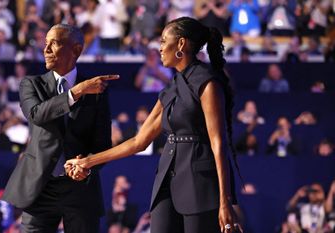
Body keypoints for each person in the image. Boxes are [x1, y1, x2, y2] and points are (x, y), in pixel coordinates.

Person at [66, 17, 242, 233]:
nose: (158, 49)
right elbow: (139, 141)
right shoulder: (170, 88)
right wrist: (88, 161)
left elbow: (218, 142)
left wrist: (226, 200)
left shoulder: (206, 82)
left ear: (181, 44)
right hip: (167, 179)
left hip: (200, 182)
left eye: (162, 41)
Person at [1, 24, 119, 233]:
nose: (45, 49)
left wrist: (87, 166)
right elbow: (37, 114)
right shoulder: (31, 84)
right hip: (40, 187)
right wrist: (77, 91)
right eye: (45, 44)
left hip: (80, 188)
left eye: (53, 43)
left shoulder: (97, 91)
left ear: (76, 50)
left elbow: (102, 144)